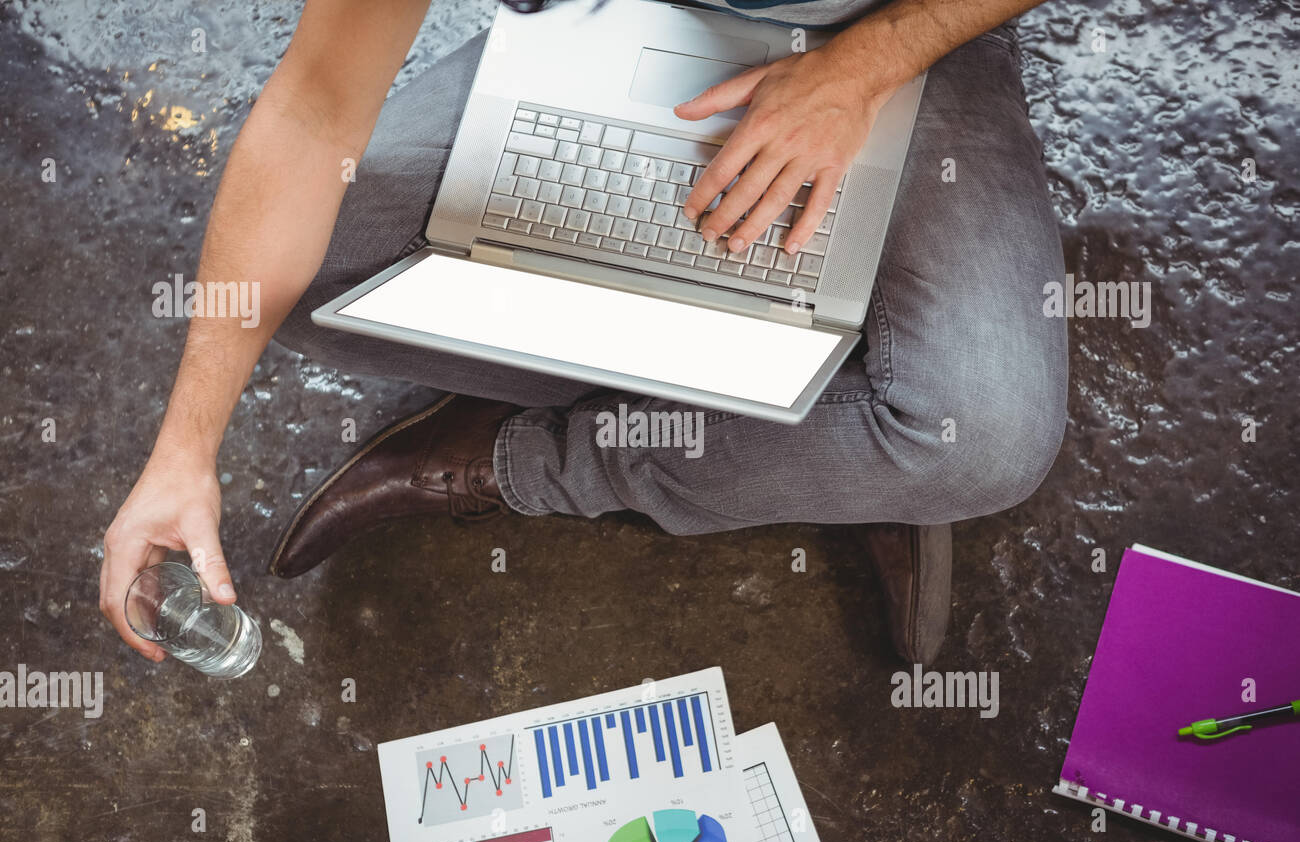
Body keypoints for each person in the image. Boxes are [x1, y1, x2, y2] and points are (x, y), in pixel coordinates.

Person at [100, 0, 1067, 667]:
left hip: (901, 39)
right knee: (300, 272)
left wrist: (861, 66)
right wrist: (185, 448)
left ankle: (530, 454)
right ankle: (824, 433)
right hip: (642, 33)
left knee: (976, 436)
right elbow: (313, 116)